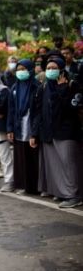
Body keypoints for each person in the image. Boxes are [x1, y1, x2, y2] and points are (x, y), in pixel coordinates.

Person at [30, 56, 83, 208]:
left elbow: (71, 108)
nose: (51, 70)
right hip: (49, 132)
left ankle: (74, 195)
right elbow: (38, 112)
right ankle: (64, 193)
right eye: (48, 68)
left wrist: (62, 89)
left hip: (66, 132)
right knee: (56, 165)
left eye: (54, 68)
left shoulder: (72, 85)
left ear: (61, 69)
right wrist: (34, 133)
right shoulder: (44, 87)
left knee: (69, 164)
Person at [6, 59, 40, 195]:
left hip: (31, 126)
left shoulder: (36, 86)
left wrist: (34, 132)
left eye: (23, 69)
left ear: (30, 70)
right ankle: (24, 185)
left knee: (33, 157)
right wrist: (9, 128)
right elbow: (11, 109)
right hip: (19, 126)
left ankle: (35, 186)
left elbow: (38, 111)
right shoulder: (15, 87)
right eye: (18, 70)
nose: (20, 72)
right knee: (21, 156)